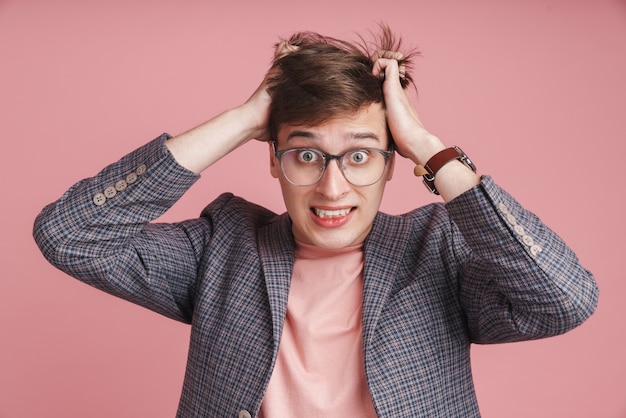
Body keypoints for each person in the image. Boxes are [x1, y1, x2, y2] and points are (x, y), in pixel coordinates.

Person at [33, 26, 598, 418]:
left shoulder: (435, 250)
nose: (333, 187)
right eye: (305, 154)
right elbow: (69, 235)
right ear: (273, 159)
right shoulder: (223, 246)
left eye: (359, 156)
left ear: (392, 162)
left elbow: (563, 300)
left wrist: (430, 148)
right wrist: (243, 117)